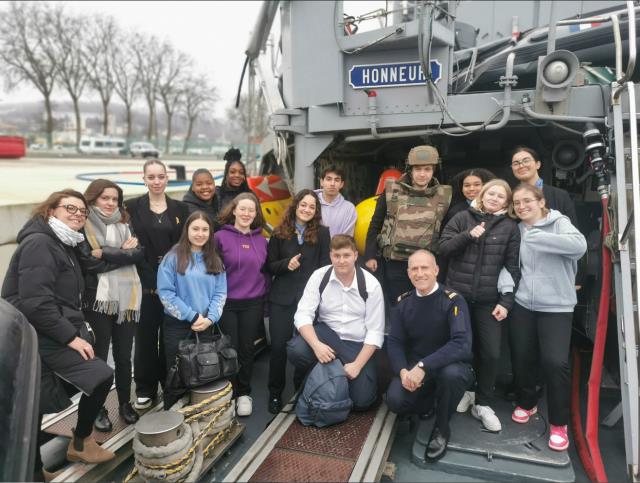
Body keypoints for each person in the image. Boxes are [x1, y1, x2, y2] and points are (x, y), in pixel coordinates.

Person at [2, 189, 115, 477]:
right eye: (70, 208)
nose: (78, 214)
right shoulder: (41, 243)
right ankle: (80, 441)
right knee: (100, 375)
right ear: (51, 211)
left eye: (82, 211)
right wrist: (71, 337)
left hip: (46, 329)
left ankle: (37, 470)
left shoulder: (64, 242)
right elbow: (36, 302)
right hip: (38, 334)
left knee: (36, 399)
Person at [438, 179, 521, 432]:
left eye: (500, 196)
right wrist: (467, 236)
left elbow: (512, 267)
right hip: (458, 298)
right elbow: (442, 248)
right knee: (462, 349)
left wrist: (506, 302)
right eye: (491, 193)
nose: (494, 198)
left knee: (491, 353)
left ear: (506, 203)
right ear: (483, 195)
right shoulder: (462, 218)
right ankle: (465, 392)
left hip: (488, 301)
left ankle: (483, 403)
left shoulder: (510, 228)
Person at [509, 184, 586, 451]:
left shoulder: (558, 222)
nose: (521, 206)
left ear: (541, 202)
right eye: (517, 203)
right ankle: (528, 404)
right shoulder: (517, 230)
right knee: (522, 358)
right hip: (523, 305)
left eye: (527, 201)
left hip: (556, 306)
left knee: (555, 363)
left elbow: (579, 247)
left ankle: (558, 424)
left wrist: (537, 236)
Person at [385, 250, 473, 462]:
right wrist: (403, 371)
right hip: (416, 368)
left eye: (425, 268)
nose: (419, 273)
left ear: (436, 270)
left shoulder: (453, 300)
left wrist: (424, 366)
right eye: (414, 268)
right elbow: (395, 341)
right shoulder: (404, 302)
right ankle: (429, 402)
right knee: (395, 401)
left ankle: (441, 429)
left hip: (447, 366)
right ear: (408, 273)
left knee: (451, 376)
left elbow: (461, 344)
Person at [287, 234, 385, 412]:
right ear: (330, 255)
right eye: (336, 256)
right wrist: (316, 346)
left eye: (346, 255)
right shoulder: (319, 276)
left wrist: (357, 365)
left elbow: (375, 332)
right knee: (296, 350)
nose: (341, 261)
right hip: (326, 336)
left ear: (355, 255)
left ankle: (333, 374)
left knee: (363, 402)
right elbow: (303, 315)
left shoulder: (371, 285)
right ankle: (325, 374)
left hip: (356, 344)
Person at [124, 159, 190, 410]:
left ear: (167, 178)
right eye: (151, 177)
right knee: (145, 338)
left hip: (174, 283)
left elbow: (186, 244)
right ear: (144, 179)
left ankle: (171, 384)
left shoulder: (180, 209)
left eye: (160, 176)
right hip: (144, 282)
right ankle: (145, 387)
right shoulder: (131, 207)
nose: (156, 181)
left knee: (171, 337)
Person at [79, 179, 143, 431]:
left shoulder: (125, 223)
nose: (110, 203)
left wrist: (104, 252)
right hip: (98, 301)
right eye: (105, 198)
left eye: (114, 199)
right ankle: (98, 407)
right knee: (99, 358)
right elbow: (88, 264)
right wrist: (122, 255)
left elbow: (139, 253)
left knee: (124, 356)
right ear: (93, 198)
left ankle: (125, 402)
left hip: (127, 298)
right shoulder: (82, 226)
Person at [266, 189, 330, 413]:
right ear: (296, 206)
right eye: (303, 205)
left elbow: (324, 268)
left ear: (316, 211)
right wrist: (286, 265)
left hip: (308, 302)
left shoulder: (323, 234)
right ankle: (275, 394)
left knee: (304, 348)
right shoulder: (279, 232)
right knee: (278, 348)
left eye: (312, 207)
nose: (307, 209)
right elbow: (269, 265)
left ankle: (300, 390)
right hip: (281, 299)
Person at [364, 145, 452, 304]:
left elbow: (446, 233)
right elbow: (375, 223)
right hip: (395, 264)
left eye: (427, 169)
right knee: (398, 307)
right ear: (410, 170)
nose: (422, 174)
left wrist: (441, 266)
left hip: (426, 265)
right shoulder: (391, 190)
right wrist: (370, 255)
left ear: (434, 171)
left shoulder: (444, 195)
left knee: (426, 307)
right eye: (418, 169)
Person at [157, 211, 227, 409]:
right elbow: (166, 293)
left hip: (205, 325)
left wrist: (210, 318)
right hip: (178, 326)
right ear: (187, 230)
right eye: (195, 229)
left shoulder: (214, 259)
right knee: (176, 374)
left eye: (205, 229)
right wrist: (192, 316)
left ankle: (199, 413)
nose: (200, 233)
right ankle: (172, 415)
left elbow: (220, 293)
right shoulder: (172, 257)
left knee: (202, 372)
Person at [214, 192, 269, 417]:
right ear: (234, 210)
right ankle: (229, 393)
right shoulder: (219, 237)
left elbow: (265, 273)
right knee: (229, 349)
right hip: (227, 302)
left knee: (247, 349)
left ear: (256, 214)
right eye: (242, 209)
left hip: (253, 302)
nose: (246, 213)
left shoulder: (261, 240)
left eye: (251, 210)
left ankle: (244, 393)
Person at [510, 146, 577, 226]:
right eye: (516, 163)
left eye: (526, 161)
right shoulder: (509, 197)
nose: (521, 166)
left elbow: (573, 230)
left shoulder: (560, 196)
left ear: (538, 164)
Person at [315, 165, 357, 237]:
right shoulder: (311, 204)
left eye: (337, 180)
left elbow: (346, 238)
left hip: (339, 248)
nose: (332, 184)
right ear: (321, 182)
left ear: (341, 184)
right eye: (329, 179)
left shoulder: (349, 209)